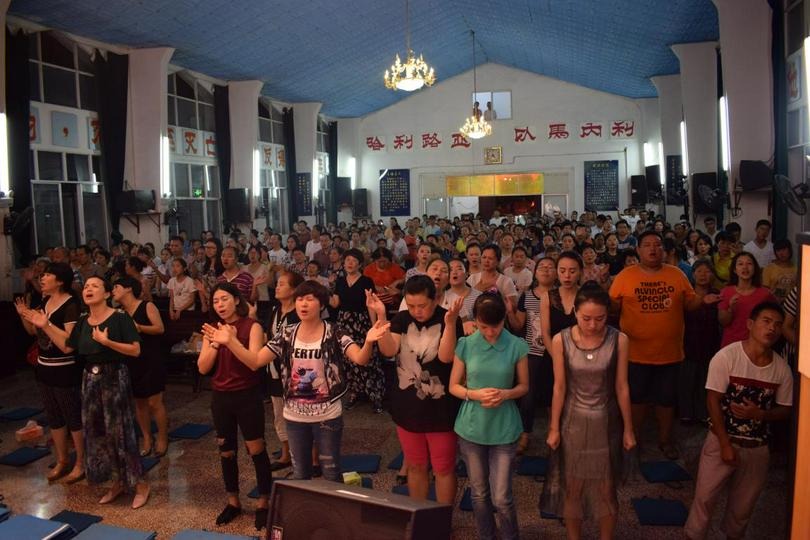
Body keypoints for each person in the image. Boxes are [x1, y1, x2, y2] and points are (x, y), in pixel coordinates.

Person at [221, 281, 387, 483]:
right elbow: (255, 361)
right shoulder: (286, 333)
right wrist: (231, 341)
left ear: (322, 304)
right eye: (299, 299)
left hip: (328, 415)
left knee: (331, 473)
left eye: (310, 299)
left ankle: (332, 512)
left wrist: (369, 341)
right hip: (294, 416)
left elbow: (360, 358)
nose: (303, 304)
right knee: (300, 474)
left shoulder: (334, 331)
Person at [684, 302, 793, 540]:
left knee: (743, 508)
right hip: (722, 439)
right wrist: (723, 443)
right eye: (766, 321)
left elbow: (785, 409)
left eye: (777, 324)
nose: (772, 328)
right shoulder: (727, 356)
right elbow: (712, 400)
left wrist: (761, 415)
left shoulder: (782, 369)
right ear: (750, 324)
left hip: (757, 446)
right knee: (704, 499)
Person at [609, 231, 719, 460]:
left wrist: (702, 301)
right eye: (647, 245)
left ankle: (665, 440)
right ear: (637, 250)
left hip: (669, 353)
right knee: (636, 398)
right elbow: (612, 308)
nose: (653, 249)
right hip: (634, 354)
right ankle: (634, 438)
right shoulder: (625, 276)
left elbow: (689, 305)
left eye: (657, 245)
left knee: (666, 400)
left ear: (665, 250)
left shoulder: (676, 275)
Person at [541, 282, 635, 540]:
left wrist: (628, 429)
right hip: (573, 422)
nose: (593, 325)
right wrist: (553, 428)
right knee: (573, 487)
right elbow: (559, 387)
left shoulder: (619, 339)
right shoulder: (561, 340)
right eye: (586, 319)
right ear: (575, 314)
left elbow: (622, 386)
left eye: (600, 319)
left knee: (606, 487)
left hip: (606, 423)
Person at [374, 276, 464, 505]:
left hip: (440, 407)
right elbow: (389, 350)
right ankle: (420, 517)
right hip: (407, 406)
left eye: (422, 306)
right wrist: (382, 318)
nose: (416, 311)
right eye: (411, 305)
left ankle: (442, 521)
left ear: (434, 300)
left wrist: (451, 323)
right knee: (415, 465)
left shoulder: (449, 318)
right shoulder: (402, 319)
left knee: (443, 468)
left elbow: (446, 357)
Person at [449, 293, 529, 540]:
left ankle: (509, 535)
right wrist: (474, 394)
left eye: (495, 326)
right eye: (484, 327)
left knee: (502, 496)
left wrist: (505, 394)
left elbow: (524, 386)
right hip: (472, 426)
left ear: (504, 319)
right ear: (476, 321)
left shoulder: (516, 345)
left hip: (504, 426)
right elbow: (454, 386)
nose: (491, 332)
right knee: (479, 493)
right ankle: (486, 535)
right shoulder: (467, 344)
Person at [65, 276, 150, 508]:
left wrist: (107, 341)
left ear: (106, 294)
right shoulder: (83, 320)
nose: (88, 289)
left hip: (114, 376)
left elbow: (135, 350)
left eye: (95, 286)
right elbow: (67, 346)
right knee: (97, 432)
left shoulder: (120, 318)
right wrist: (45, 325)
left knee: (120, 431)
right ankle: (117, 482)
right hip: (89, 379)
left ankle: (140, 483)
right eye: (86, 286)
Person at [197, 283, 270, 529]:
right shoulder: (212, 330)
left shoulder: (253, 326)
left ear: (237, 300)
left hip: (246, 395)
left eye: (224, 299)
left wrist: (230, 340)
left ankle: (263, 501)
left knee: (256, 450)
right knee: (226, 452)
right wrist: (217, 343)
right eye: (216, 301)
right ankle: (233, 502)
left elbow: (254, 363)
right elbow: (203, 368)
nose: (220, 305)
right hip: (221, 397)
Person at [16, 262, 85, 483]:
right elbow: (35, 333)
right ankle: (62, 460)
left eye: (47, 275)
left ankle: (80, 463)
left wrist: (45, 324)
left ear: (60, 281)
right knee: (54, 418)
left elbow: (68, 345)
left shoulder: (71, 304)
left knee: (73, 418)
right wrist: (24, 315)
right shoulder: (46, 301)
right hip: (44, 366)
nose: (42, 278)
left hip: (65, 368)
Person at [113, 276, 169, 458]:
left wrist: (139, 327)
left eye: (117, 286)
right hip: (130, 360)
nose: (113, 290)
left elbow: (160, 328)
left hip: (151, 358)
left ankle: (162, 437)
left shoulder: (146, 306)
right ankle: (146, 437)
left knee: (154, 402)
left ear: (128, 289)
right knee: (139, 402)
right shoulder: (119, 312)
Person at [506, 257, 557, 454]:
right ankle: (525, 433)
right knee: (527, 397)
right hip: (531, 353)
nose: (546, 270)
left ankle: (554, 432)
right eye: (542, 267)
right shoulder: (527, 296)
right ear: (535, 273)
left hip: (555, 352)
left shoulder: (561, 296)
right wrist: (510, 312)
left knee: (555, 394)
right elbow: (519, 325)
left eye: (550, 267)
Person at [330, 249, 385, 413]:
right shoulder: (340, 281)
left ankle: (375, 395)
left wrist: (375, 325)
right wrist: (326, 288)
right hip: (344, 323)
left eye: (353, 260)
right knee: (348, 360)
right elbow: (334, 304)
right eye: (347, 260)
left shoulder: (366, 281)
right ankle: (354, 393)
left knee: (368, 359)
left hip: (361, 322)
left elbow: (371, 305)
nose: (349, 263)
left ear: (360, 264)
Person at [265, 271, 305, 472]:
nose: (277, 287)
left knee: (298, 410)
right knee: (278, 411)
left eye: (282, 284)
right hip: (273, 369)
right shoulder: (275, 309)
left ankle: (302, 453)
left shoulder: (300, 312)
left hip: (295, 370)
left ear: (294, 290)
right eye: (277, 284)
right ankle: (285, 452)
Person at [679, 260, 721, 423]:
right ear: (693, 274)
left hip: (710, 342)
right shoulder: (686, 294)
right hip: (687, 341)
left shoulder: (718, 294)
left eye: (707, 271)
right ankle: (686, 413)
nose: (703, 275)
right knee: (687, 379)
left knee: (705, 380)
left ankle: (704, 413)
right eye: (699, 271)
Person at [718, 252, 777, 348]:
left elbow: (775, 318)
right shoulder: (726, 292)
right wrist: (730, 309)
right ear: (734, 270)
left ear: (755, 268)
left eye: (749, 264)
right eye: (740, 264)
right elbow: (723, 322)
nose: (745, 267)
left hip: (757, 346)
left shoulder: (765, 294)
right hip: (731, 345)